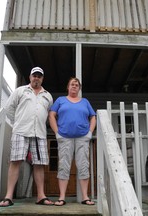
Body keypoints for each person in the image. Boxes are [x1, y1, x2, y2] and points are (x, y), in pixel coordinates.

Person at [0, 66, 54, 207]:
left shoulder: (48, 95)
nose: (36, 78)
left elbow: (47, 115)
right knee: (15, 161)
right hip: (21, 131)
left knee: (39, 164)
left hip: (39, 134)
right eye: (34, 75)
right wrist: (18, 122)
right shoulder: (20, 91)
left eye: (39, 76)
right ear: (30, 77)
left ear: (42, 78)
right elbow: (9, 109)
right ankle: (8, 196)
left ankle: (41, 196)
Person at [49, 77, 96, 206]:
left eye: (76, 85)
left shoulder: (85, 102)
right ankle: (62, 197)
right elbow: (51, 115)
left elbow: (93, 117)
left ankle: (85, 197)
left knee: (83, 165)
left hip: (82, 138)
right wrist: (57, 133)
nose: (74, 86)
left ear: (79, 88)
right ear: (68, 87)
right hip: (64, 137)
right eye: (72, 84)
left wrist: (90, 133)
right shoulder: (60, 100)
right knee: (64, 165)